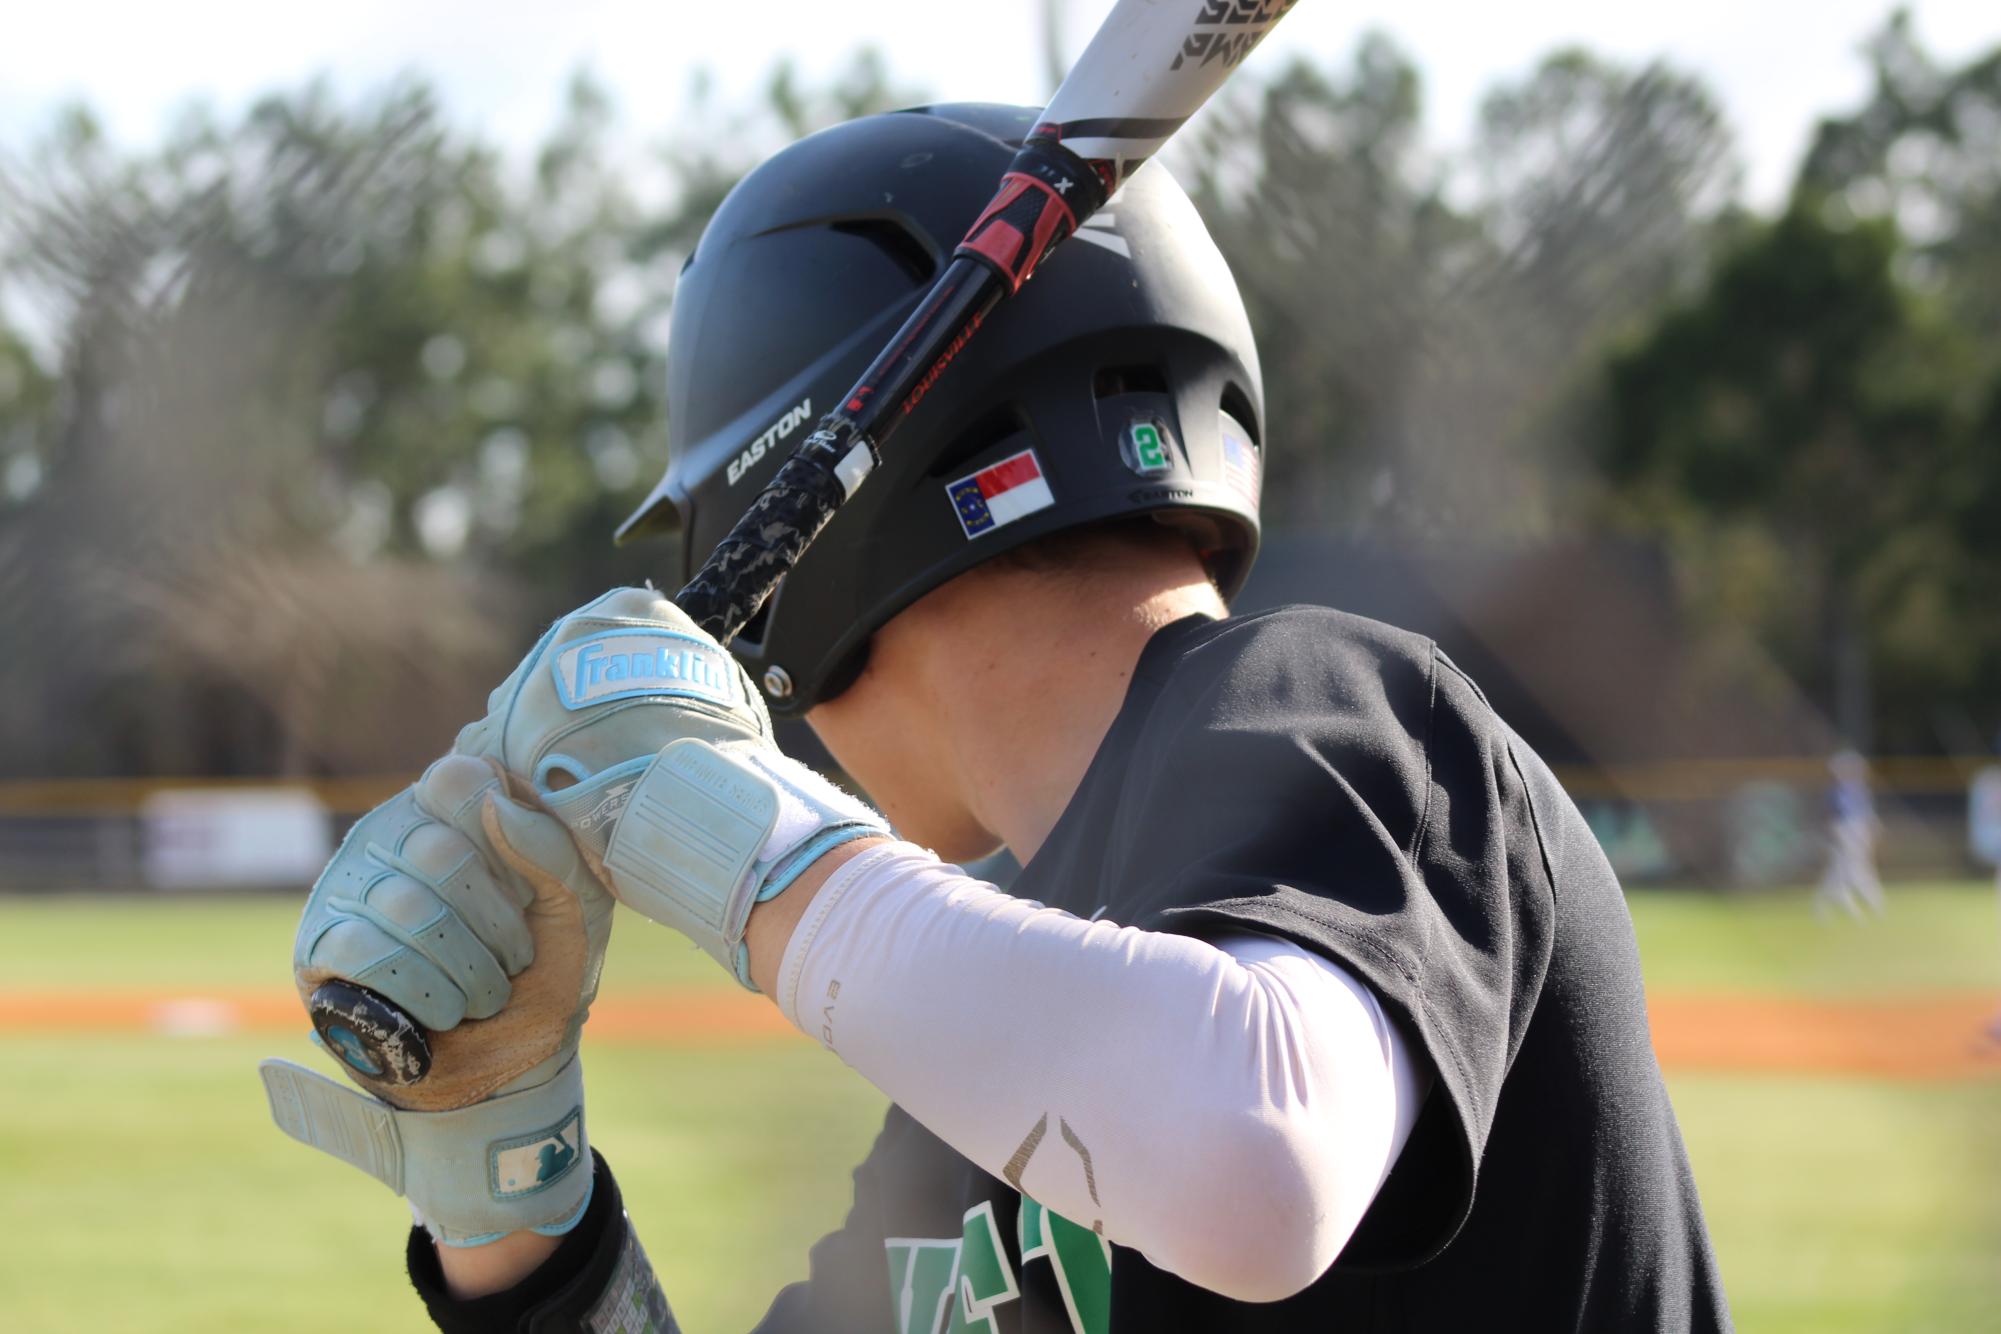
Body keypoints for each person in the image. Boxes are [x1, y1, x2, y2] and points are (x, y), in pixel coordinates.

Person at [263, 104, 1731, 1332]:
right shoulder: (1013, 1062)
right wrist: (510, 1195)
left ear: (810, 551)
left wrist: (726, 826)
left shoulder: (1335, 708)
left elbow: (1257, 1159)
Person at [1814, 749, 1885, 920]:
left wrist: (1874, 827)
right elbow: (1832, 817)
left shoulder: (1860, 789)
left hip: (1860, 829)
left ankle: (1826, 903)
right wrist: (1838, 834)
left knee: (1843, 868)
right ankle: (1871, 902)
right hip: (1844, 829)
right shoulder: (1835, 792)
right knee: (1853, 866)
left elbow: (1867, 813)